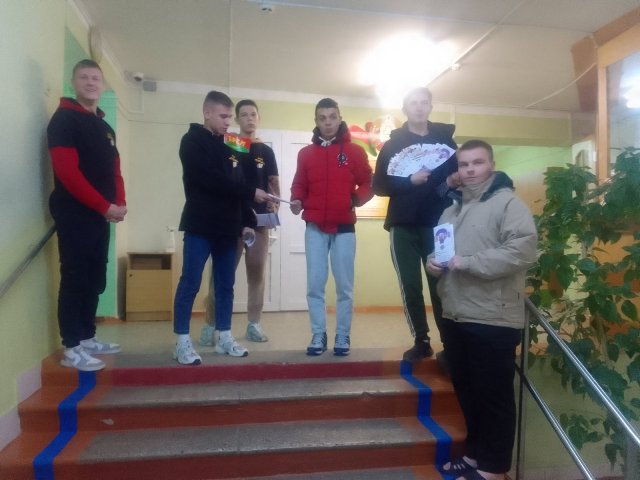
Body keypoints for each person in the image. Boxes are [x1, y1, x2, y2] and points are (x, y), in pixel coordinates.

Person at [426, 140, 537, 480]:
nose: (470, 169)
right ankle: (475, 455)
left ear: (491, 165)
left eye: (477, 162)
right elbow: (443, 253)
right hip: (456, 314)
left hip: (493, 317)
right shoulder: (451, 210)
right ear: (457, 170)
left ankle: (493, 467)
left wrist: (469, 262)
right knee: (469, 392)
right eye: (464, 164)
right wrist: (433, 262)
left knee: (493, 397)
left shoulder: (508, 204)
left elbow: (522, 251)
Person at [173, 91, 270, 365]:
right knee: (190, 283)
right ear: (207, 113)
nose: (229, 122)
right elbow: (210, 179)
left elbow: (236, 184)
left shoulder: (230, 145)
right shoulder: (191, 141)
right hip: (200, 225)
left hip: (228, 228)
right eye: (224, 116)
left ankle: (224, 337)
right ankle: (181, 341)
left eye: (230, 117)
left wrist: (247, 221)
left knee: (226, 284)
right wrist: (251, 192)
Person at [47, 59, 127, 372]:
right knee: (75, 278)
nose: (91, 82)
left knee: (95, 277)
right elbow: (67, 173)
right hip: (75, 214)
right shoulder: (63, 120)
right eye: (84, 77)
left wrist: (119, 203)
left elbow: (115, 170)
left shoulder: (105, 128)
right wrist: (103, 206)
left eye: (96, 78)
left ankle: (87, 336)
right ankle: (72, 347)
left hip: (100, 215)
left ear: (103, 85)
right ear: (73, 82)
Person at [372, 87, 459, 363]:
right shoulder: (392, 146)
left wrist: (448, 185)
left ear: (431, 106)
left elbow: (454, 184)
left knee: (441, 285)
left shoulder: (446, 142)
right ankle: (421, 341)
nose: (419, 107)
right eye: (413, 103)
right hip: (402, 225)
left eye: (424, 102)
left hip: (438, 225)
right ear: (405, 109)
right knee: (410, 285)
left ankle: (450, 344)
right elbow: (379, 186)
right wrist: (409, 181)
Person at [290, 98, 373, 356]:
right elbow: (299, 183)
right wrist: (296, 199)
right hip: (314, 227)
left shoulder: (355, 152)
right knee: (315, 285)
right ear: (316, 121)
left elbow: (369, 183)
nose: (328, 122)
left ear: (340, 119)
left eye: (332, 117)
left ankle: (343, 335)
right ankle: (318, 334)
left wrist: (355, 199)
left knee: (344, 287)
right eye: (322, 118)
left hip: (344, 228)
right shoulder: (305, 154)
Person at [200, 99, 280, 346]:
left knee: (257, 274)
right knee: (221, 275)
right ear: (237, 119)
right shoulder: (229, 144)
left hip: (259, 222)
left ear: (259, 118)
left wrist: (274, 205)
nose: (249, 118)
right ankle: (210, 324)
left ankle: (254, 324)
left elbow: (273, 185)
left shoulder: (265, 151)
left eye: (253, 114)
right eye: (244, 114)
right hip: (231, 221)